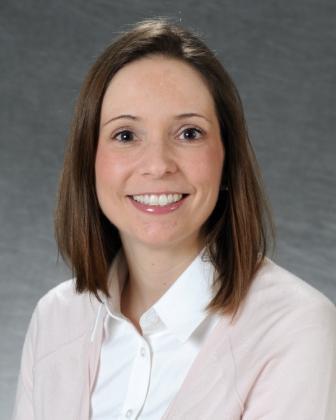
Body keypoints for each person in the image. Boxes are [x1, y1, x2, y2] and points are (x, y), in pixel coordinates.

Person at [12, 18, 336, 420]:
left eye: (188, 134)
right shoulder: (55, 318)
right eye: (126, 135)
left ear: (226, 156)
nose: (158, 165)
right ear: (89, 159)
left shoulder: (296, 327)